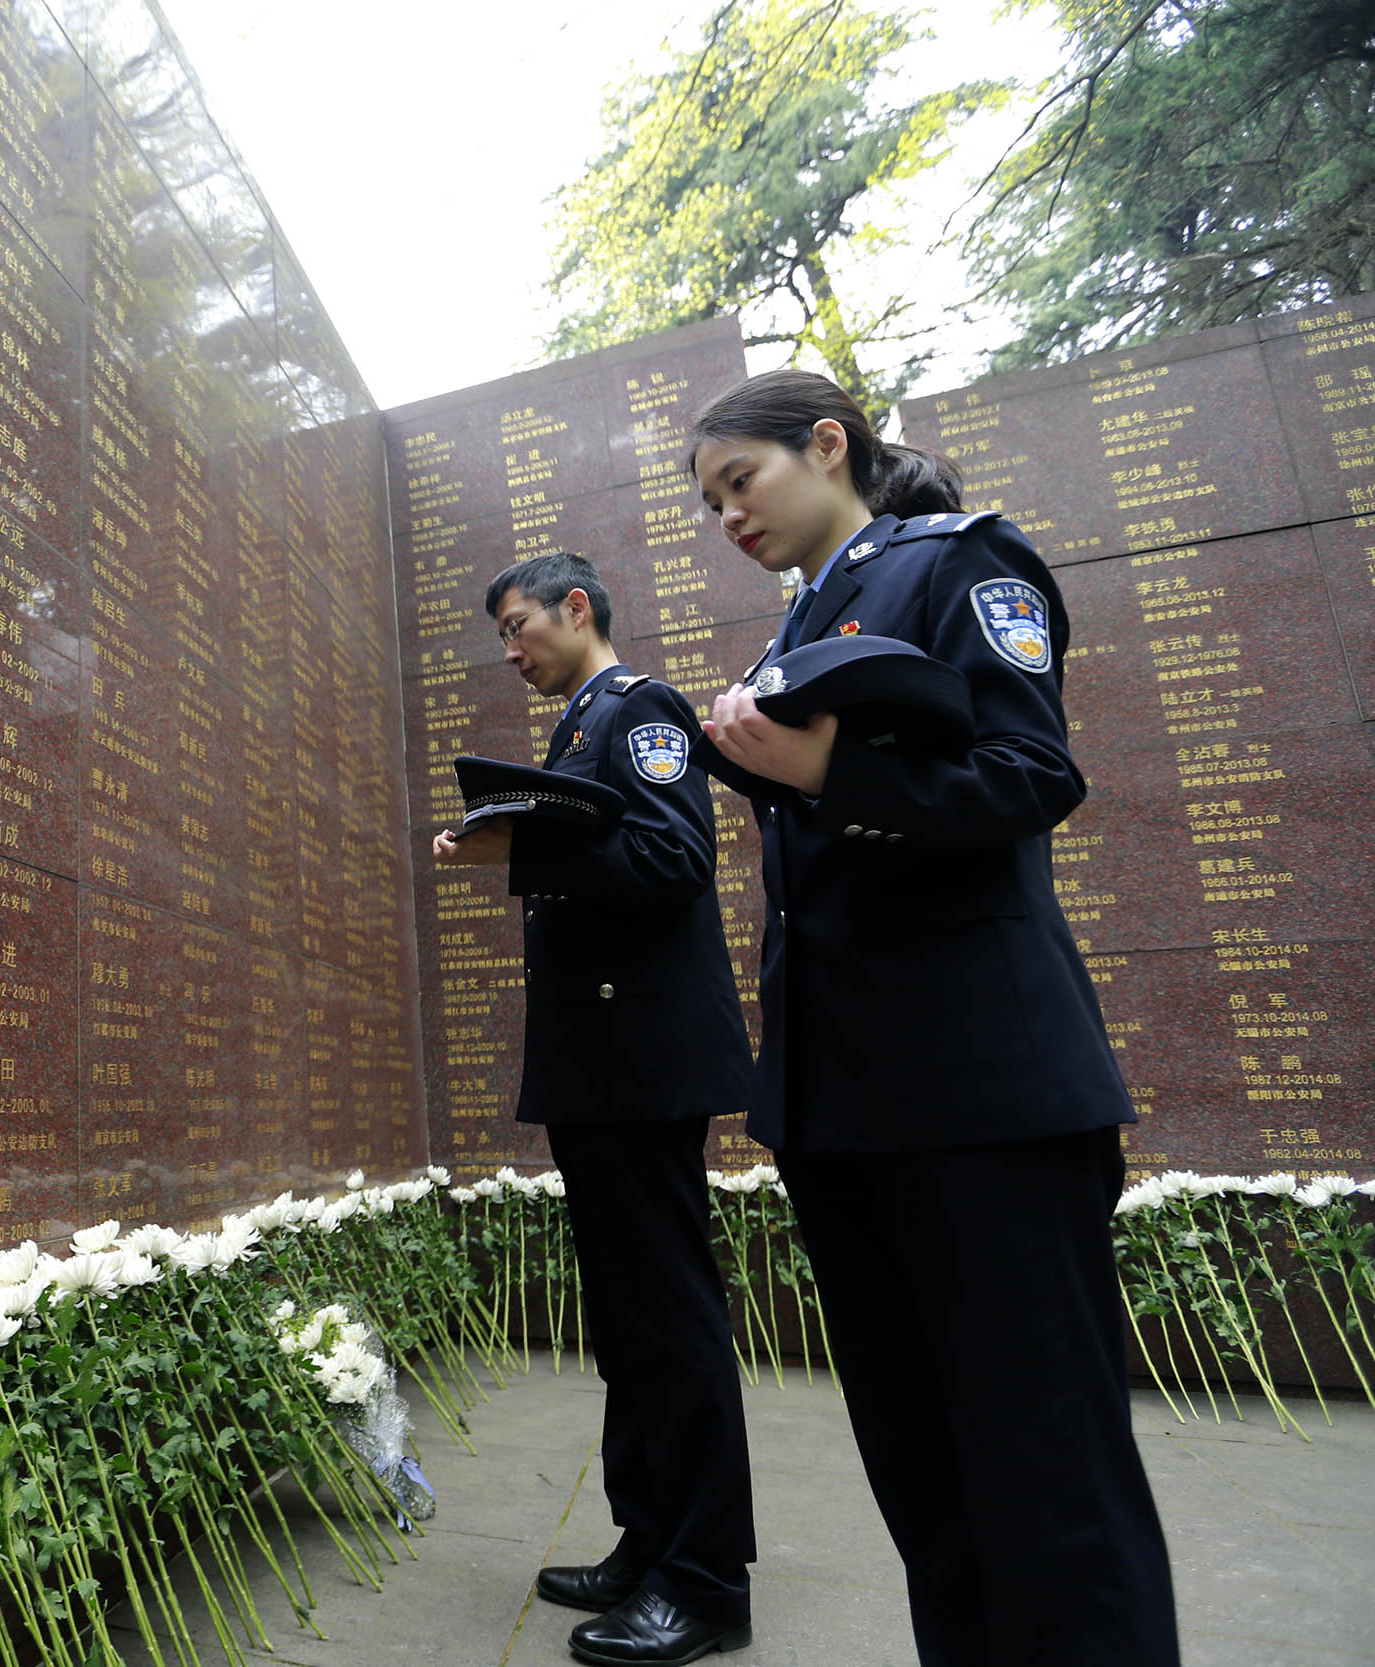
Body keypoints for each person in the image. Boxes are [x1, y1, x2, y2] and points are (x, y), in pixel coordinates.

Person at [690, 369, 1178, 1667]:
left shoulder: (957, 561)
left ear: (827, 443)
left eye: (740, 480)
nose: (728, 515)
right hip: (845, 1110)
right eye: (710, 501)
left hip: (983, 1099)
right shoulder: (797, 628)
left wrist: (827, 767)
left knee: (1051, 1485)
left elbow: (1030, 772)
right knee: (931, 1490)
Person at [434, 553, 757, 1667]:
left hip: (643, 1065)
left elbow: (676, 854)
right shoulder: (580, 728)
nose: (510, 649)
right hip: (603, 1068)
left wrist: (523, 843)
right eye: (502, 635)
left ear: (578, 609)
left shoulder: (639, 708)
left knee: (668, 1316)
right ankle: (649, 1540)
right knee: (626, 1319)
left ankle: (706, 1580)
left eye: (519, 625)